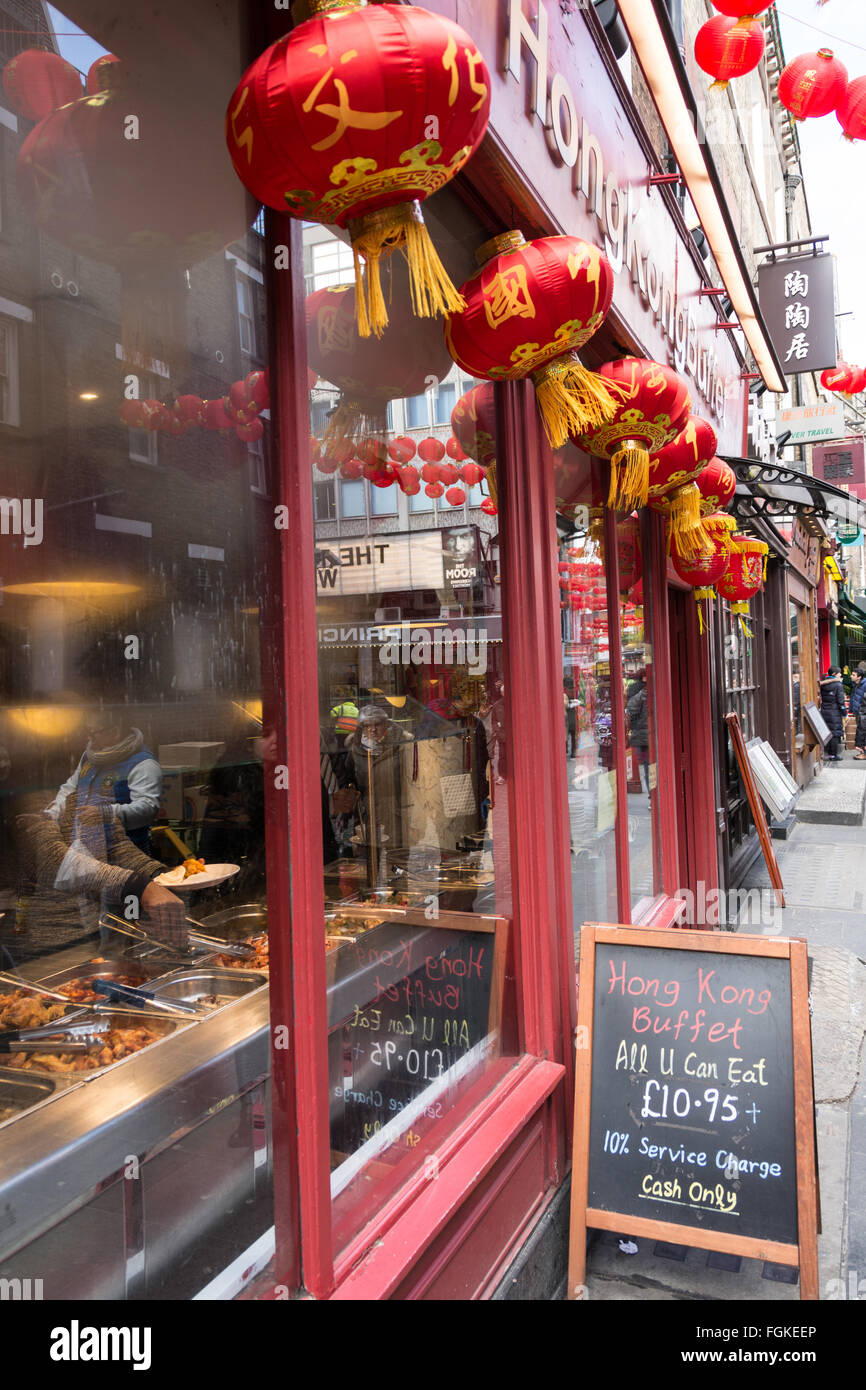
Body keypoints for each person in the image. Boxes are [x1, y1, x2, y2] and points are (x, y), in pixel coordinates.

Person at [44, 709, 162, 851]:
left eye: (93, 732)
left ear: (115, 732)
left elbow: (148, 808)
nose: (89, 738)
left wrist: (106, 814)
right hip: (84, 849)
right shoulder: (90, 757)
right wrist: (51, 815)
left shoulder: (143, 763)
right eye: (87, 731)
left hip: (127, 852)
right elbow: (70, 789)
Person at [819, 666, 847, 762]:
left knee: (828, 732)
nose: (841, 675)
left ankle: (826, 752)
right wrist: (844, 714)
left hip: (824, 710)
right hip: (834, 712)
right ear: (834, 674)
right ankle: (833, 755)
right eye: (840, 673)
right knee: (835, 733)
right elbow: (841, 701)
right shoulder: (838, 685)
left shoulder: (823, 684)